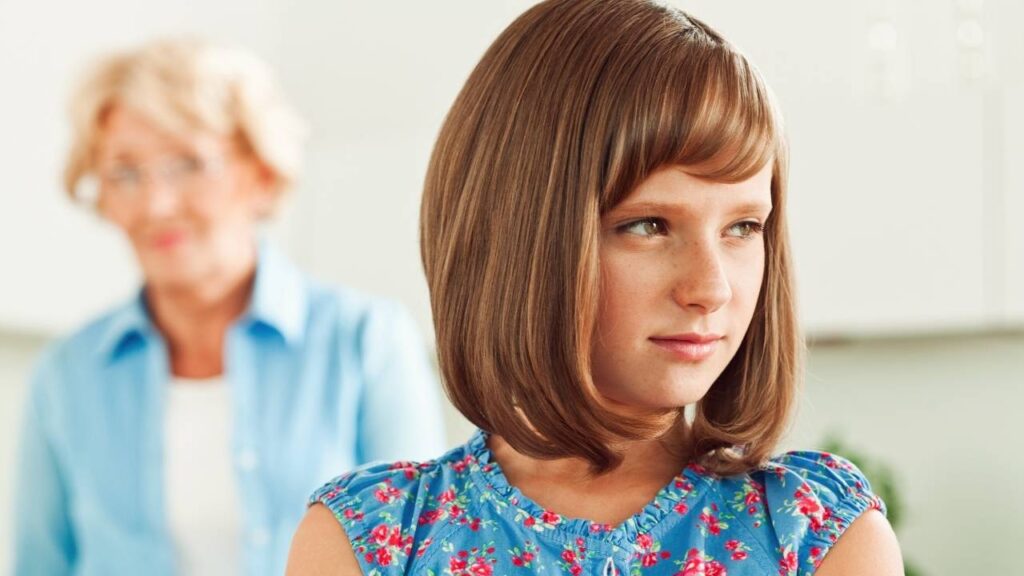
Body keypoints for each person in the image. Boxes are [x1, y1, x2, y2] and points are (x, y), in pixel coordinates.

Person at [287, 1, 904, 574]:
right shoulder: (370, 542)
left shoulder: (817, 534)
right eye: (648, 226)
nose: (711, 288)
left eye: (743, 227)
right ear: (516, 236)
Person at [13, 38, 447, 576]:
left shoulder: (366, 341)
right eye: (124, 172)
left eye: (188, 164)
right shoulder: (67, 375)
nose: (156, 204)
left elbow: (422, 557)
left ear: (261, 174)